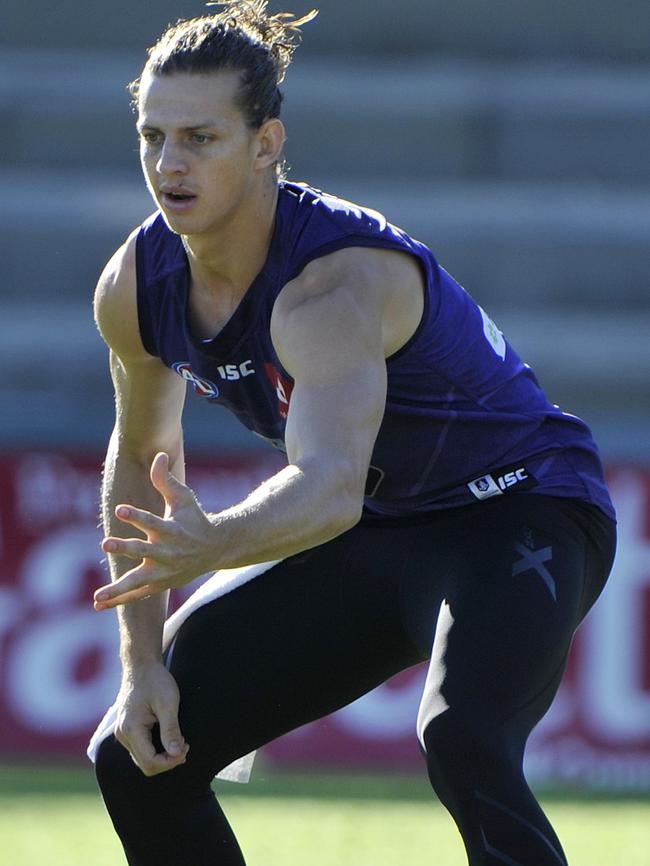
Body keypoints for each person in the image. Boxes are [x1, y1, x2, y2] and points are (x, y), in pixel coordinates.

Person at [90, 2, 616, 864]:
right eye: (152, 136)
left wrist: (214, 541)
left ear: (266, 143)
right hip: (381, 525)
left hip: (521, 510)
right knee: (135, 752)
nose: (168, 163)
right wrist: (140, 662)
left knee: (465, 737)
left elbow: (329, 485)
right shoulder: (135, 285)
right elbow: (140, 462)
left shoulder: (332, 285)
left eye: (200, 137)